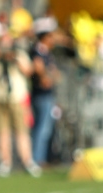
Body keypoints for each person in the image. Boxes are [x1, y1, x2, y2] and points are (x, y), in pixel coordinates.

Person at [0, 33, 41, 177]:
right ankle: (5, 162)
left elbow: (29, 71)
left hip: (17, 97)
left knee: (22, 131)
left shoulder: (19, 55)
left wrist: (14, 59)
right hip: (0, 97)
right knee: (3, 132)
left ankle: (27, 161)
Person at [29, 21, 59, 167]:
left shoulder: (46, 52)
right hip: (41, 94)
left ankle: (41, 158)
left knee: (46, 128)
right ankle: (37, 159)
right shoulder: (38, 51)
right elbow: (40, 71)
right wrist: (47, 76)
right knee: (42, 127)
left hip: (47, 93)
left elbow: (54, 73)